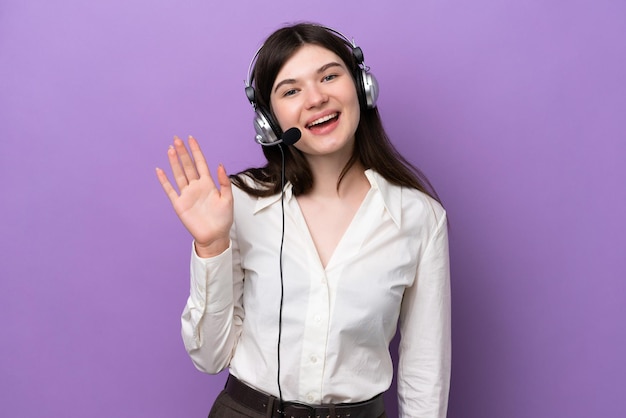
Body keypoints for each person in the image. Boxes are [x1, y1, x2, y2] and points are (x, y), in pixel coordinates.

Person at [156, 22, 451, 418]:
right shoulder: (238, 203)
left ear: (362, 87)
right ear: (269, 120)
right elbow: (210, 358)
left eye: (329, 76)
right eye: (291, 90)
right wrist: (212, 246)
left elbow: (425, 369)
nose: (316, 98)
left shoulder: (419, 217)